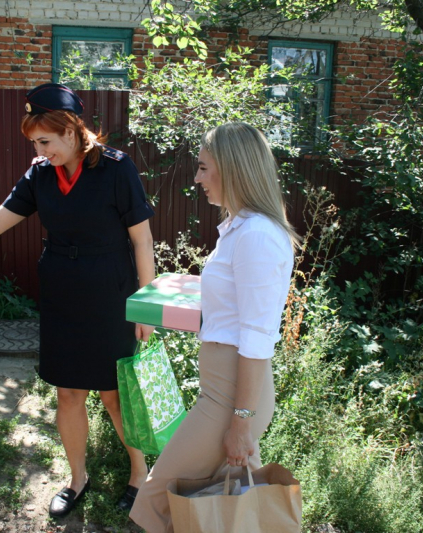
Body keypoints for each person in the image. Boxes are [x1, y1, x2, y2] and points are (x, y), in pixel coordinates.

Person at [0, 83, 155, 518]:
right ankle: (78, 478)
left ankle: (139, 473)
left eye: (45, 141)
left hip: (111, 294)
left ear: (71, 130)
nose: (41, 151)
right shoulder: (41, 174)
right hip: (63, 294)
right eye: (34, 144)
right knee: (68, 394)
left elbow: (142, 240)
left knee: (115, 393)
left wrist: (145, 306)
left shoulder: (118, 169)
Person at [130, 122, 297, 532]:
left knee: (157, 499)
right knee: (229, 506)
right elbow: (231, 315)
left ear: (232, 167)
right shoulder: (241, 229)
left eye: (204, 168)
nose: (197, 178)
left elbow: (257, 340)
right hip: (226, 390)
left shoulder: (256, 235)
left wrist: (240, 423)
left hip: (231, 396)